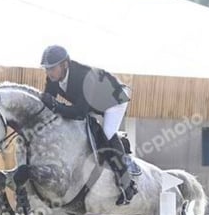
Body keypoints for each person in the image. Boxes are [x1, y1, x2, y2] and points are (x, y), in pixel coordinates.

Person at [39, 44, 140, 205]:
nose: (49, 72)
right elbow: (48, 103)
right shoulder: (53, 78)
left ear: (65, 64)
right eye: (46, 69)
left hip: (114, 99)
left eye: (52, 68)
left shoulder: (83, 77)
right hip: (93, 103)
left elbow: (79, 112)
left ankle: (127, 184)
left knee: (107, 134)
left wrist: (55, 106)